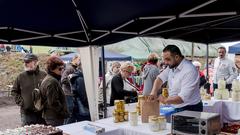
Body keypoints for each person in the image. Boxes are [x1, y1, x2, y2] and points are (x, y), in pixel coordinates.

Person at [149, 45, 202, 112]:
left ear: (176, 57)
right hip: (177, 106)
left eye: (168, 59)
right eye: (164, 59)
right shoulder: (172, 66)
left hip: (191, 108)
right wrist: (153, 92)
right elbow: (160, 78)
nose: (165, 62)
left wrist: (165, 100)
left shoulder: (190, 70)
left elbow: (182, 98)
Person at [11, 53, 47, 126]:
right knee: (27, 132)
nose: (26, 64)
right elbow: (14, 91)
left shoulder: (44, 74)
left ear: (36, 62)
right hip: (26, 113)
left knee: (43, 131)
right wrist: (22, 103)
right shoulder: (21, 76)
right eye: (25, 62)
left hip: (42, 112)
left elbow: (48, 90)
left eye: (29, 62)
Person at [40, 56, 69, 126]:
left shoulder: (50, 79)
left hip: (52, 115)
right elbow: (53, 102)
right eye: (60, 68)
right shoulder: (52, 81)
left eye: (63, 68)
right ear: (52, 69)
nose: (62, 70)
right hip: (54, 116)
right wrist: (63, 112)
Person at [61, 55, 81, 124]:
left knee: (72, 114)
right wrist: (72, 81)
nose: (80, 61)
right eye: (79, 59)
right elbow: (63, 79)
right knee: (69, 114)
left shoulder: (74, 68)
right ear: (74, 59)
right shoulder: (70, 68)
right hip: (68, 94)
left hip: (71, 94)